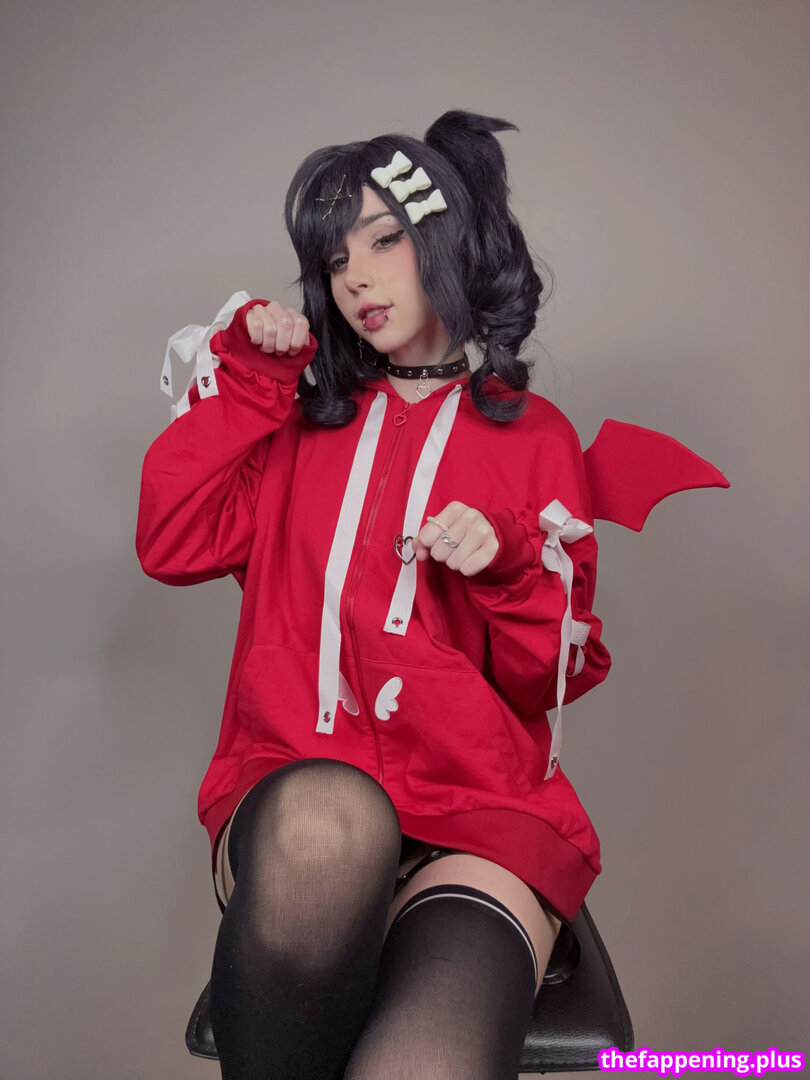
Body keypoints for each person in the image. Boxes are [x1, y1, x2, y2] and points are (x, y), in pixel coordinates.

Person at [137, 111, 613, 1080]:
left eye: (384, 239)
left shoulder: (536, 437)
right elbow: (171, 541)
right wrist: (253, 382)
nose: (355, 277)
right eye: (334, 257)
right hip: (302, 789)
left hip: (475, 815)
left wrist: (508, 564)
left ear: (446, 241)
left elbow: (545, 681)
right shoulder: (294, 420)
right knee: (332, 819)